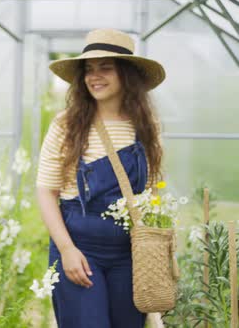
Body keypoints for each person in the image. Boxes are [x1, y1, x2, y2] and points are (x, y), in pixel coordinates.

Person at [36, 28, 165, 327]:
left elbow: (151, 191)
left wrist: (153, 251)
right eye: (89, 70)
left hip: (129, 256)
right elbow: (46, 191)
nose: (94, 76)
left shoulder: (147, 127)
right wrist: (67, 250)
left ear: (127, 74)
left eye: (105, 67)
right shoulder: (66, 124)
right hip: (80, 249)